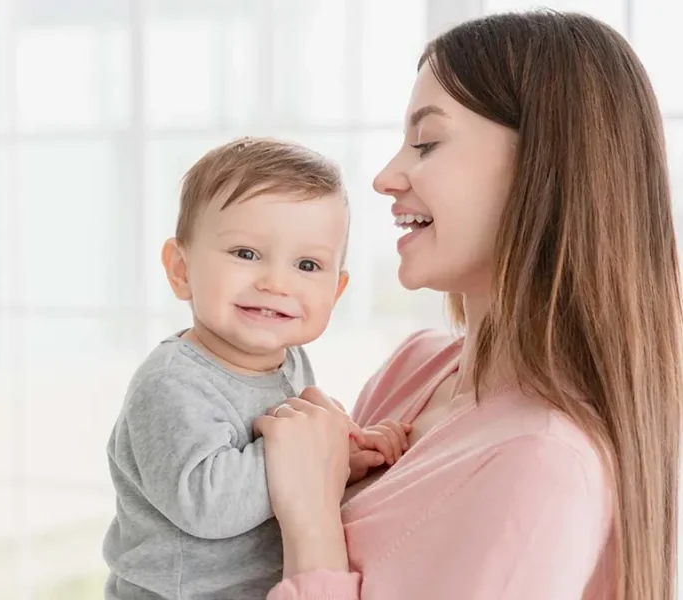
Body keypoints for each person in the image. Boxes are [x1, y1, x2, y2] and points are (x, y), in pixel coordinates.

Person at [256, 11, 682, 600]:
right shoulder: (415, 369)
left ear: (544, 163)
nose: (384, 177)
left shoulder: (544, 464)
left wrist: (309, 521)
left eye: (427, 143)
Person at [102, 137, 410, 599]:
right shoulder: (172, 384)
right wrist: (310, 456)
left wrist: (343, 457)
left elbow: (296, 460)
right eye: (246, 254)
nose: (276, 282)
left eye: (307, 264)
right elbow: (205, 504)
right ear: (181, 270)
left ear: (336, 291)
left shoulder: (290, 360)